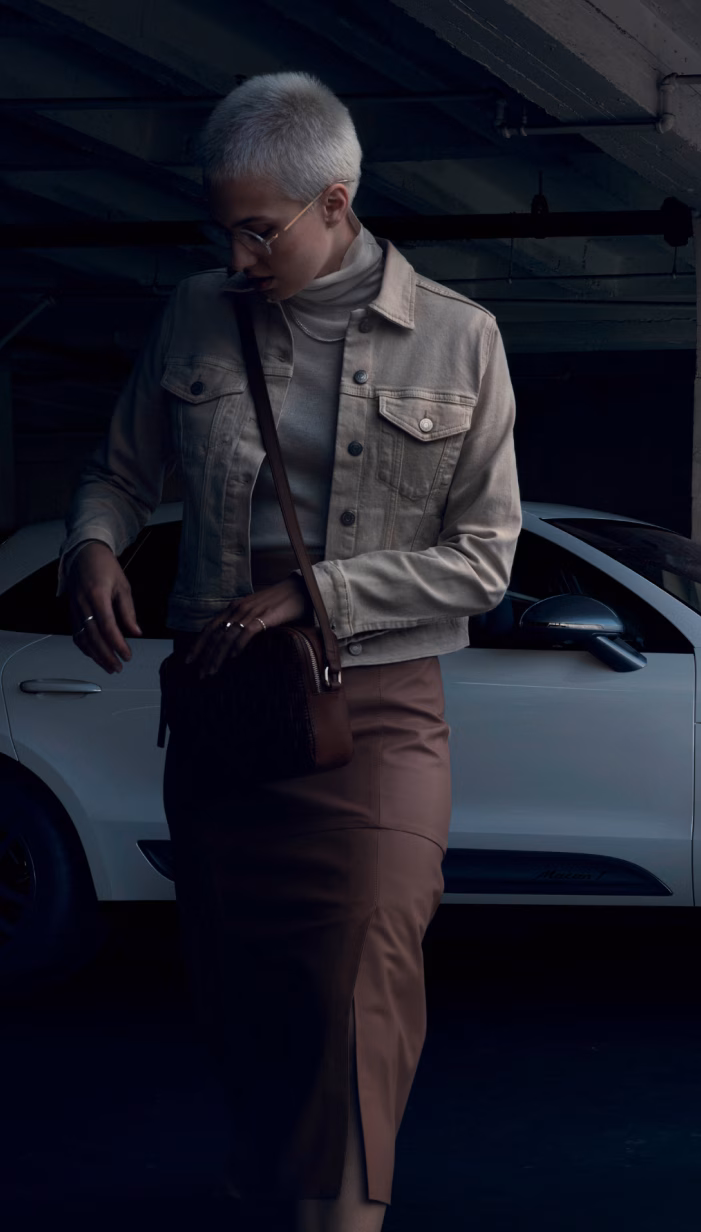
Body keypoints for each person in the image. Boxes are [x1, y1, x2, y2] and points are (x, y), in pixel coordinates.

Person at [60, 72, 520, 1230]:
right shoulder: (194, 313)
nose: (238, 254)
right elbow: (119, 472)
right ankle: (277, 1173)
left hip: (379, 713)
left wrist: (324, 590)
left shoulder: (461, 339)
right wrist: (93, 546)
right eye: (223, 229)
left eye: (259, 229)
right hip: (225, 704)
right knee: (240, 988)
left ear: (335, 201)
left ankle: (338, 1211)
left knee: (362, 970)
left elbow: (485, 558)